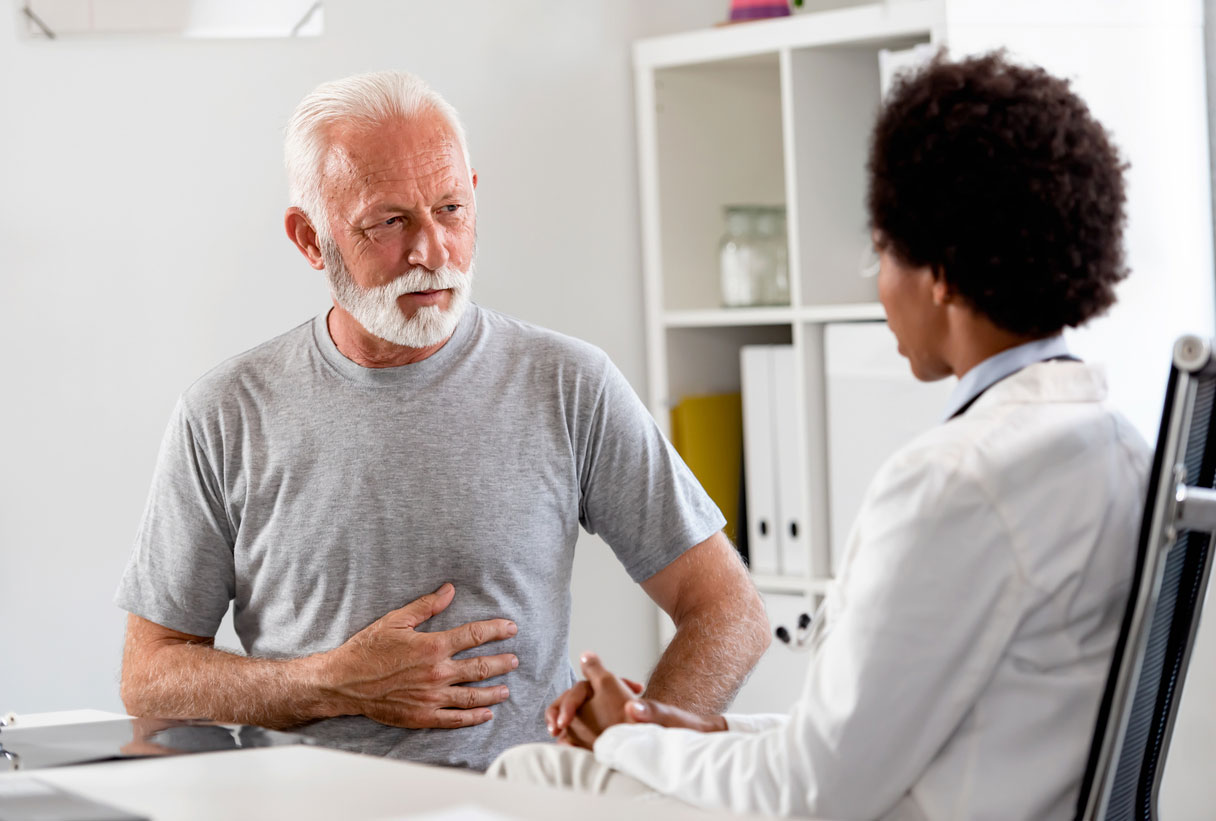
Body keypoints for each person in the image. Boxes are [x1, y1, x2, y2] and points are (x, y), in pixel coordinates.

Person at [489, 51, 1152, 819]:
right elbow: (863, 740)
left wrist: (619, 740)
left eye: (882, 251)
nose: (879, 286)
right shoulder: (1108, 440)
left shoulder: (956, 482)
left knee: (530, 775)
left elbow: (807, 794)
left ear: (939, 268)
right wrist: (707, 730)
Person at [114, 70, 770, 772]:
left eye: (451, 209)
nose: (433, 250)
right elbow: (149, 674)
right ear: (310, 238)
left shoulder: (570, 383)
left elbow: (730, 611)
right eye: (389, 221)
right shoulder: (224, 412)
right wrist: (330, 681)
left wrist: (635, 750)